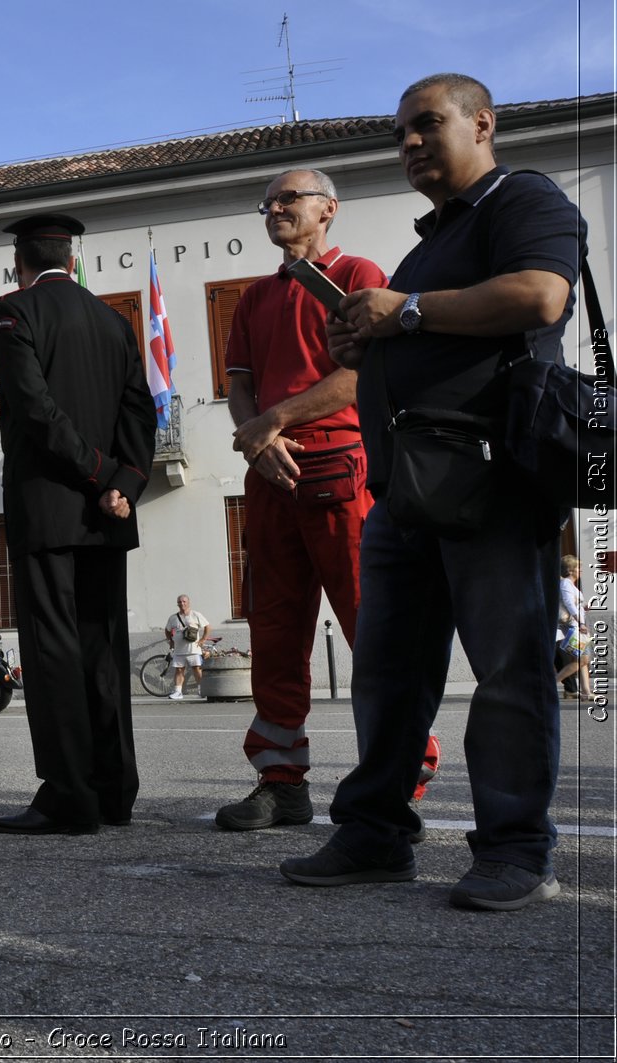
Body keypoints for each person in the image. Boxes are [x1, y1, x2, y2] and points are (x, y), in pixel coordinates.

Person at [282, 73, 588, 911]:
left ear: (481, 123)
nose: (410, 143)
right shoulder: (430, 245)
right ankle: (376, 832)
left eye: (427, 125)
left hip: (491, 477)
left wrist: (404, 313)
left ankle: (515, 847)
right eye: (401, 134)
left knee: (508, 670)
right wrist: (363, 336)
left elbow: (539, 295)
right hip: (410, 486)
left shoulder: (525, 200)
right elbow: (413, 329)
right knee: (388, 671)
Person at [217, 168, 441, 831]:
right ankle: (281, 781)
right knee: (275, 631)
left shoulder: (358, 273)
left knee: (371, 625)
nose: (275, 207)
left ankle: (403, 774)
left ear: (328, 210)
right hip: (271, 474)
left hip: (341, 465)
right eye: (269, 201)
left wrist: (273, 422)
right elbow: (239, 384)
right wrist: (258, 440)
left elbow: (362, 374)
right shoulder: (254, 297)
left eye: (290, 198)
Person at [0, 213, 156, 836]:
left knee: (53, 649)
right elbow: (142, 406)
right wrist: (124, 482)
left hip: (51, 506)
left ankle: (69, 796)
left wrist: (95, 471)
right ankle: (115, 790)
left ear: (19, 263)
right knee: (103, 650)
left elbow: (34, 408)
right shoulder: (115, 320)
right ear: (74, 261)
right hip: (109, 511)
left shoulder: (13, 311)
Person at [554, 556, 593, 701]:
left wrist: (584, 607)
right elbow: (569, 604)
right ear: (570, 570)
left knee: (583, 660)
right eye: (578, 567)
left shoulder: (570, 585)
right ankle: (551, 685)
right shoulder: (566, 584)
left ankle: (586, 692)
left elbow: (574, 604)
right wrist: (581, 622)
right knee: (581, 660)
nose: (581, 570)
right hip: (572, 627)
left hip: (575, 626)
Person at [163, 595, 209, 700]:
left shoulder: (196, 615)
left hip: (194, 649)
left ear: (188, 602)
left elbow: (208, 627)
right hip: (179, 650)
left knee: (197, 669)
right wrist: (170, 641)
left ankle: (201, 690)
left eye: (184, 601)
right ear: (177, 604)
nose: (182, 603)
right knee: (179, 670)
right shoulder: (173, 618)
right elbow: (167, 630)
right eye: (179, 602)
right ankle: (178, 692)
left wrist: (202, 640)